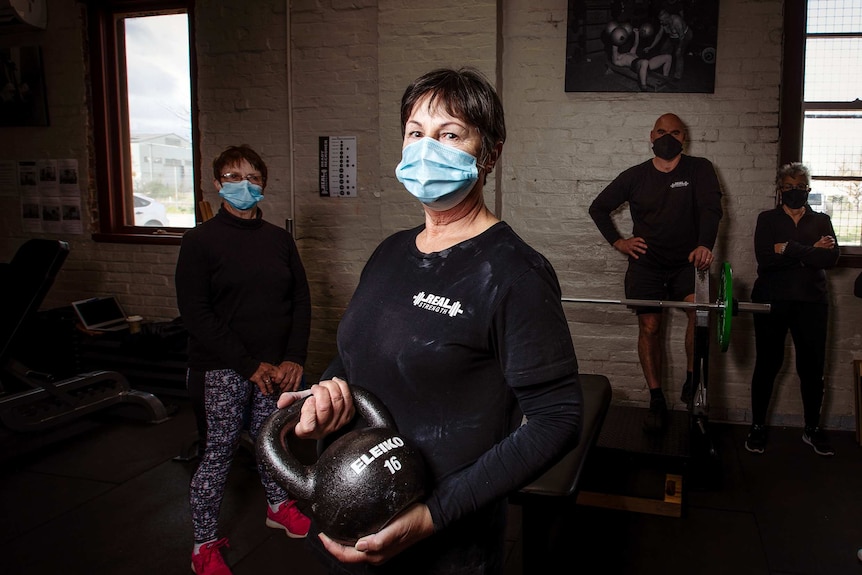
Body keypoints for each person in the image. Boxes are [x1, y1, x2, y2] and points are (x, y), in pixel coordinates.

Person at [276, 67, 583, 574]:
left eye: (450, 134)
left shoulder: (515, 273)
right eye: (416, 134)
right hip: (348, 515)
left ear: (490, 153)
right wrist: (326, 394)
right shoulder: (390, 252)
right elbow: (357, 357)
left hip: (441, 544)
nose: (426, 149)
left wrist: (431, 517)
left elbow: (558, 421)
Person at [175, 144, 313, 575]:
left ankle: (277, 506)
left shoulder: (278, 240)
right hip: (222, 369)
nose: (243, 185)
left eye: (252, 177)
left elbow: (301, 299)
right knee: (218, 453)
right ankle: (203, 545)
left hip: (276, 369)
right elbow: (196, 314)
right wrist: (250, 366)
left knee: (273, 445)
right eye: (233, 178)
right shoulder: (200, 241)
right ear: (218, 184)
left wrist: (292, 357)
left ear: (264, 185)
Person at [588, 113, 722, 433]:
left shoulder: (699, 169)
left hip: (687, 261)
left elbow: (711, 209)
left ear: (683, 138)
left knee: (696, 313)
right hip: (646, 263)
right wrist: (619, 242)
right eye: (661, 132)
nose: (667, 137)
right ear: (651, 136)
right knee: (650, 326)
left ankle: (692, 378)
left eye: (674, 133)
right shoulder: (635, 176)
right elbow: (598, 207)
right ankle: (656, 396)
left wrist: (705, 245)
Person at [745, 162, 839, 456]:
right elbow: (765, 259)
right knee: (768, 365)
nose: (794, 191)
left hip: (812, 302)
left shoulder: (822, 220)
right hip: (771, 300)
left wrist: (787, 248)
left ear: (808, 189)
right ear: (780, 189)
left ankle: (812, 429)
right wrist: (811, 252)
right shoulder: (767, 219)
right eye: (789, 187)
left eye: (800, 187)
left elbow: (830, 259)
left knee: (812, 369)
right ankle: (757, 427)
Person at [610, 26, 672, 91]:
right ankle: (644, 88)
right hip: (636, 65)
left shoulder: (630, 52)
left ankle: (664, 79)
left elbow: (635, 44)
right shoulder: (618, 60)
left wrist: (636, 33)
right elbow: (614, 51)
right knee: (644, 62)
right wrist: (615, 39)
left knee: (668, 57)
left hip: (645, 64)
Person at [644, 9, 693, 80]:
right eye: (660, 20)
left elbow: (682, 37)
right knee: (663, 50)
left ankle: (677, 76)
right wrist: (650, 47)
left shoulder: (676, 21)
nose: (660, 22)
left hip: (685, 36)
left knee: (678, 54)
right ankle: (665, 70)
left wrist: (679, 48)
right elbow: (659, 35)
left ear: (667, 18)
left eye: (662, 20)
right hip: (673, 37)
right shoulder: (663, 23)